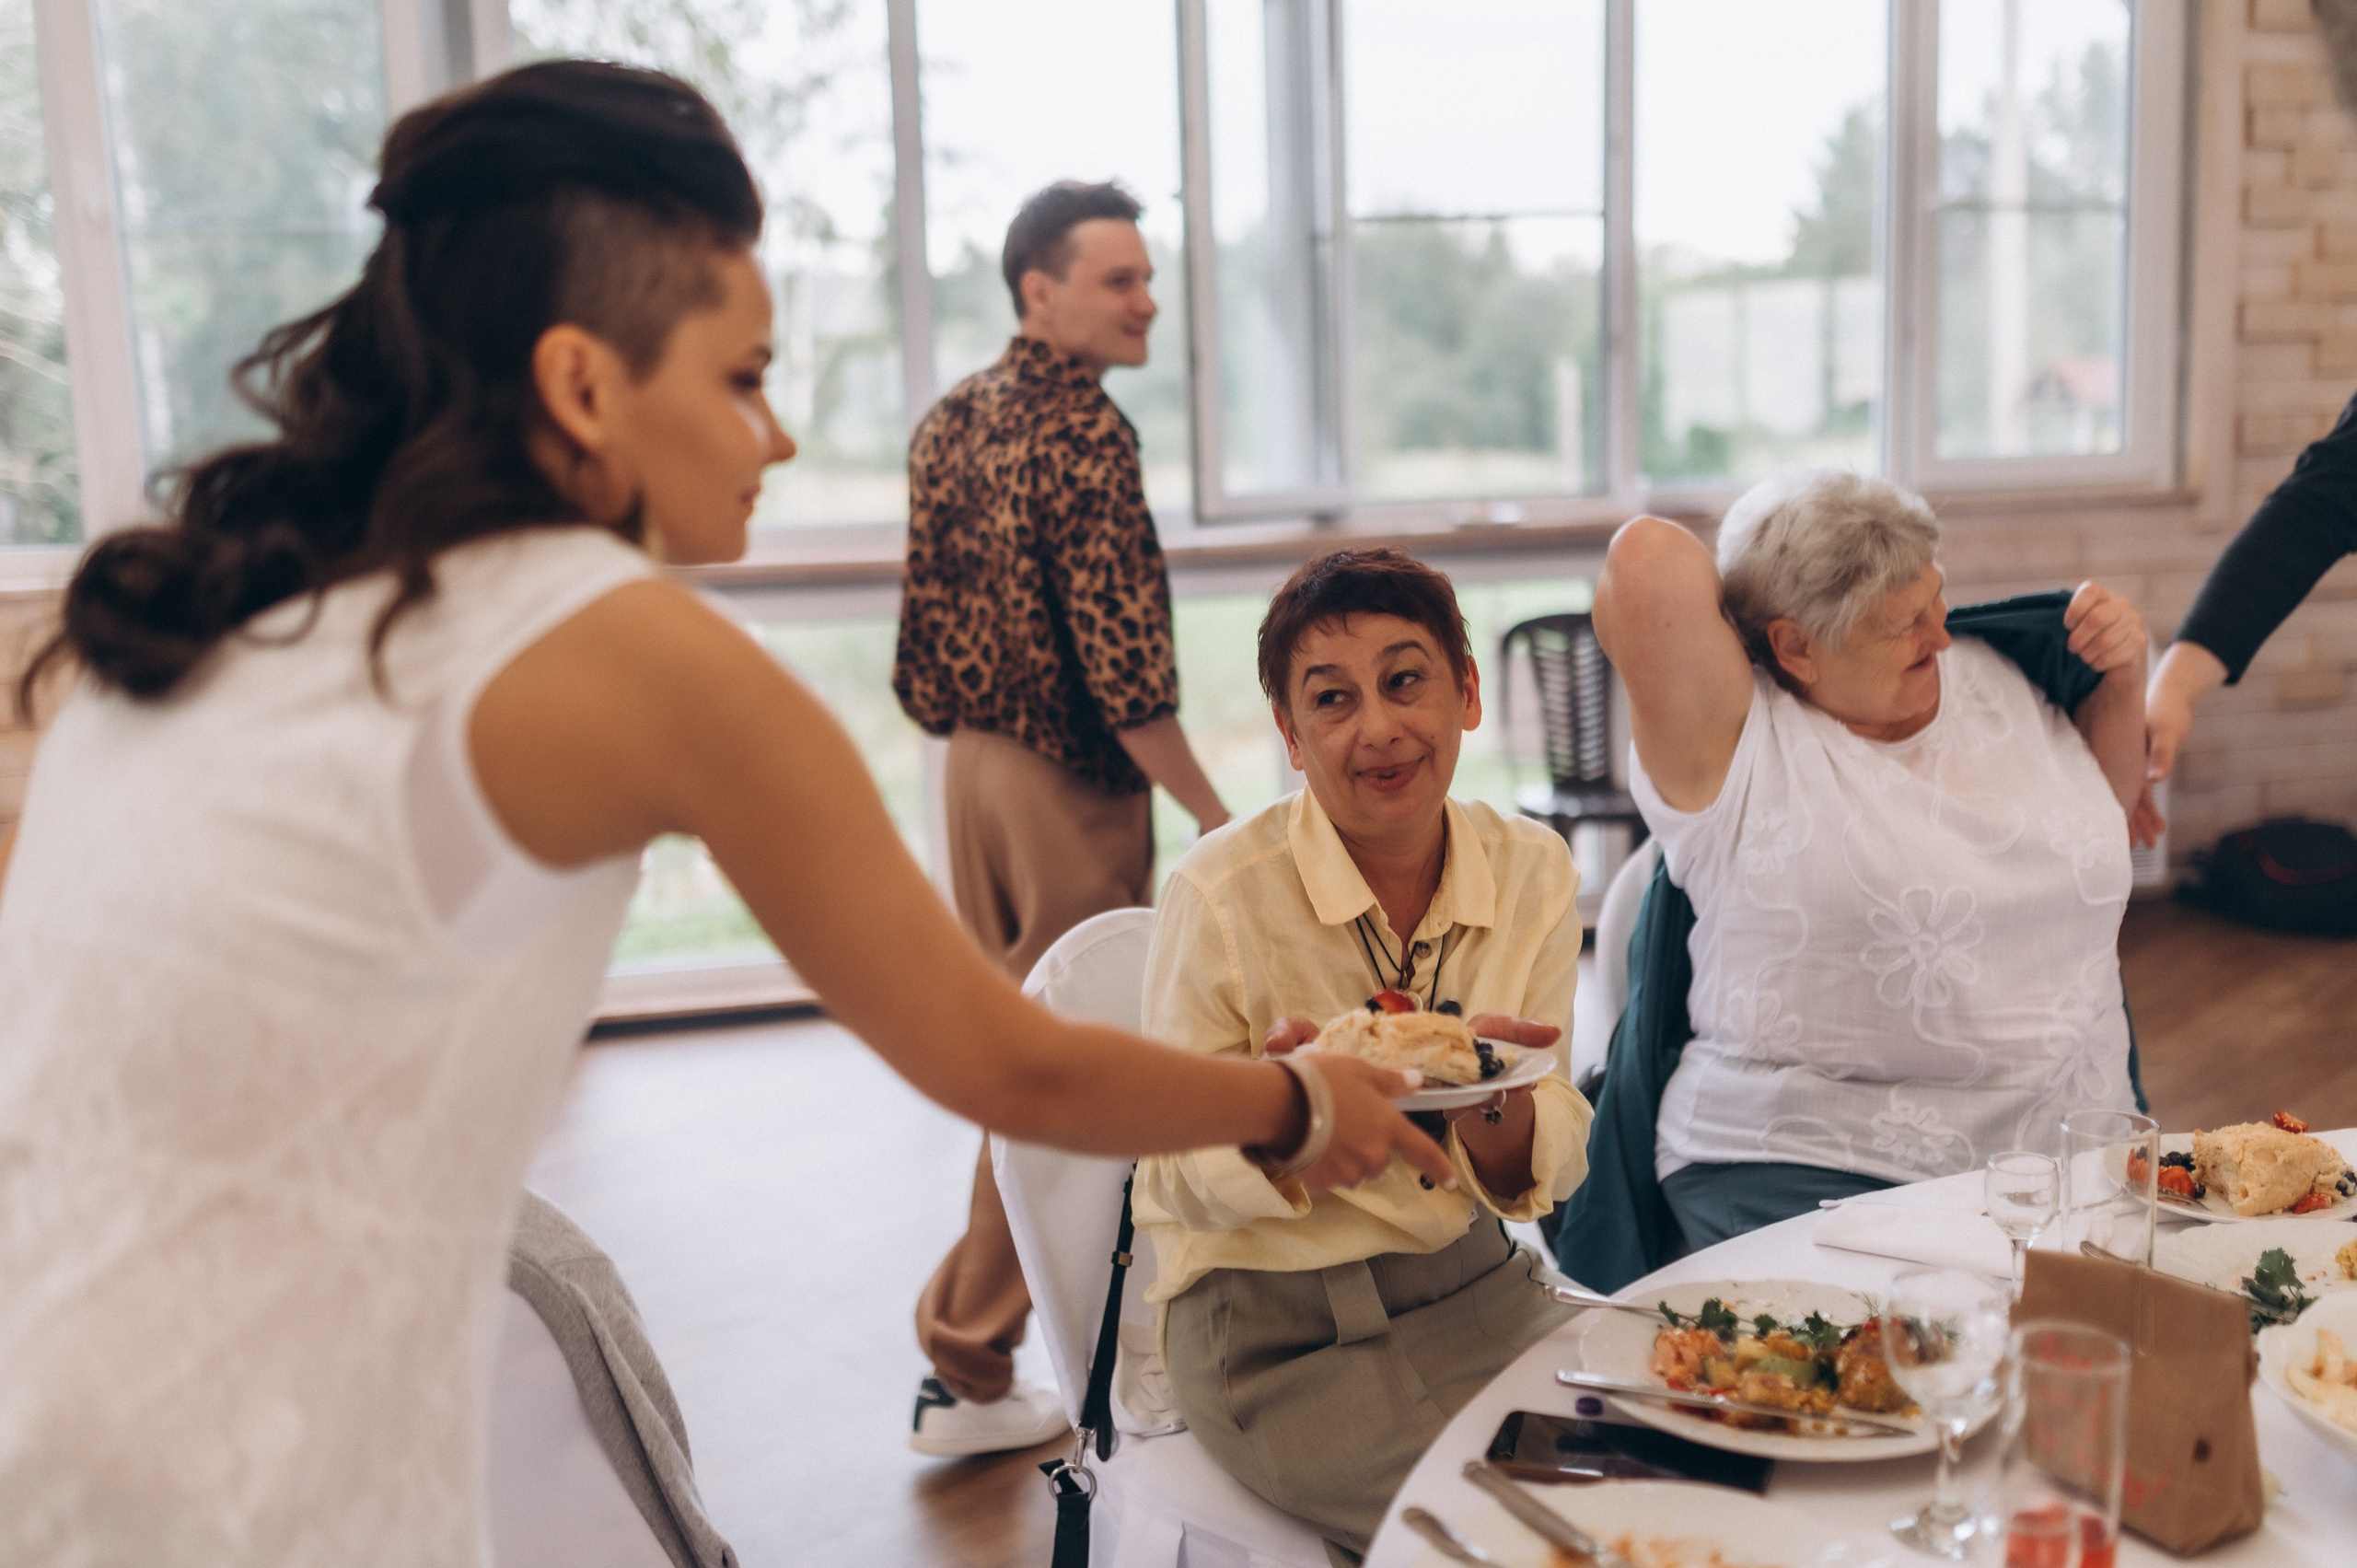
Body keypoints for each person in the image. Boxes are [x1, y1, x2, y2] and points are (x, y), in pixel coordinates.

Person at [0, 64, 1451, 1565]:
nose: (773, 438)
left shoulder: (213, 606)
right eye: (744, 379)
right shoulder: (623, 645)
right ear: (581, 385)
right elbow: (1009, 1060)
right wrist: (1300, 1103)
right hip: (250, 1495)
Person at [1132, 548, 1591, 1562]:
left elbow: (1540, 1148)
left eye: (1406, 679)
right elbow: (1164, 1163)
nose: (1377, 727)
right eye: (1331, 700)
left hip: (1478, 1284)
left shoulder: (1532, 868)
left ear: (1467, 693)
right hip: (1275, 1335)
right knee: (1523, 1542)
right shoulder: (1219, 890)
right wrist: (1276, 1121)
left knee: (1690, 1474)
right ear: (1291, 738)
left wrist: (1491, 1091)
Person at [1588, 470, 2149, 1251]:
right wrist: (1781, 546)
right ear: (1795, 646)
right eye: (1903, 625)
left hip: (2065, 1146)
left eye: (1937, 598)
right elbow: (1645, 561)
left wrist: (2123, 679)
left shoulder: (2000, 669)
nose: (1942, 636)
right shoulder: (1736, 740)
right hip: (1803, 1159)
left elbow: (2101, 829)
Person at [893, 180, 1231, 1458]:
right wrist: (1208, 806)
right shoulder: (1085, 434)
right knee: (1062, 1063)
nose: (1147, 301)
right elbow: (1125, 667)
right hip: (1064, 784)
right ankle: (968, 1364)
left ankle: (971, 1361)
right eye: (1120, 279)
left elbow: (925, 631)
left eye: (1149, 277)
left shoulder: (949, 421)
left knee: (1017, 1057)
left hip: (971, 773)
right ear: (1040, 290)